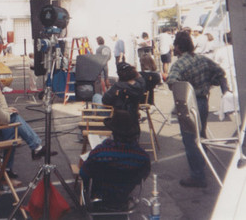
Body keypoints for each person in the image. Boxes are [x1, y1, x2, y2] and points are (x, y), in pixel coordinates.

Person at [166, 31, 229, 188]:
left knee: (190, 140)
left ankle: (198, 176)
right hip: (202, 102)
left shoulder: (179, 63)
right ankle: (202, 166)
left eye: (175, 45)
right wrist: (210, 82)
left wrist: (184, 89)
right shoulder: (202, 59)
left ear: (178, 47)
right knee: (200, 136)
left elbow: (172, 81)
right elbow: (220, 73)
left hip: (189, 104)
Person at [80, 109, 151, 210]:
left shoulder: (100, 152)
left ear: (114, 132)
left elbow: (83, 173)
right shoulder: (142, 157)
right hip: (123, 198)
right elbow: (142, 177)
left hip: (99, 199)